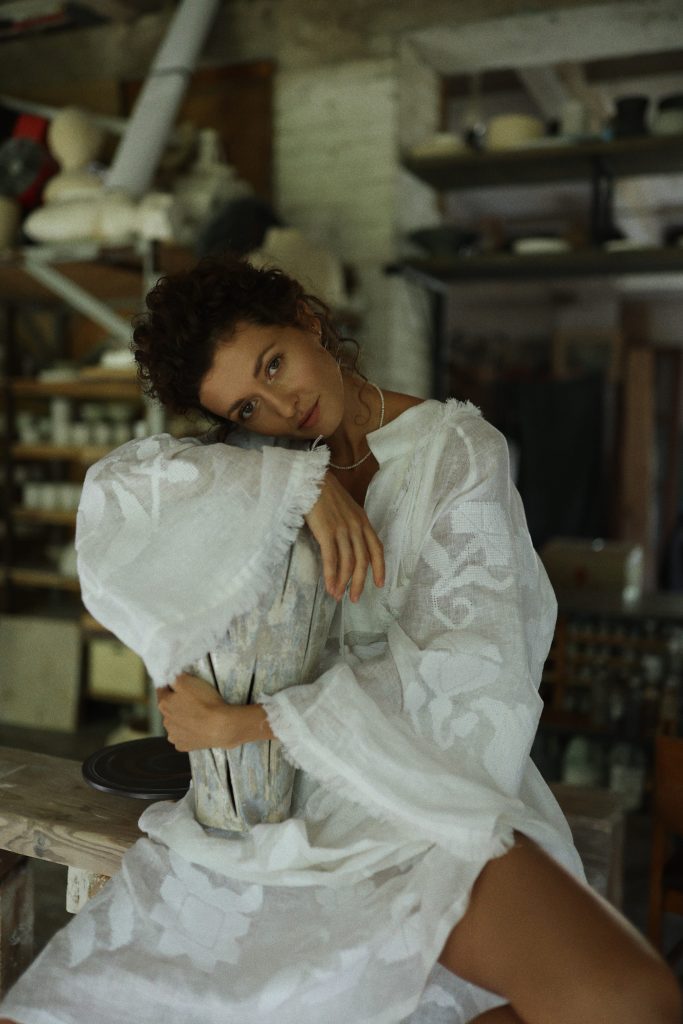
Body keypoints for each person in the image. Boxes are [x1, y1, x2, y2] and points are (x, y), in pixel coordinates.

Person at [1, 255, 679, 1024]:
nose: (280, 407)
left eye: (273, 364)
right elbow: (116, 494)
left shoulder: (456, 452)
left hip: (420, 788)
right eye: (247, 406)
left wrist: (246, 724)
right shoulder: (263, 465)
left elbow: (473, 673)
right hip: (272, 808)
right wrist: (302, 486)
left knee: (631, 1002)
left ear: (308, 319)